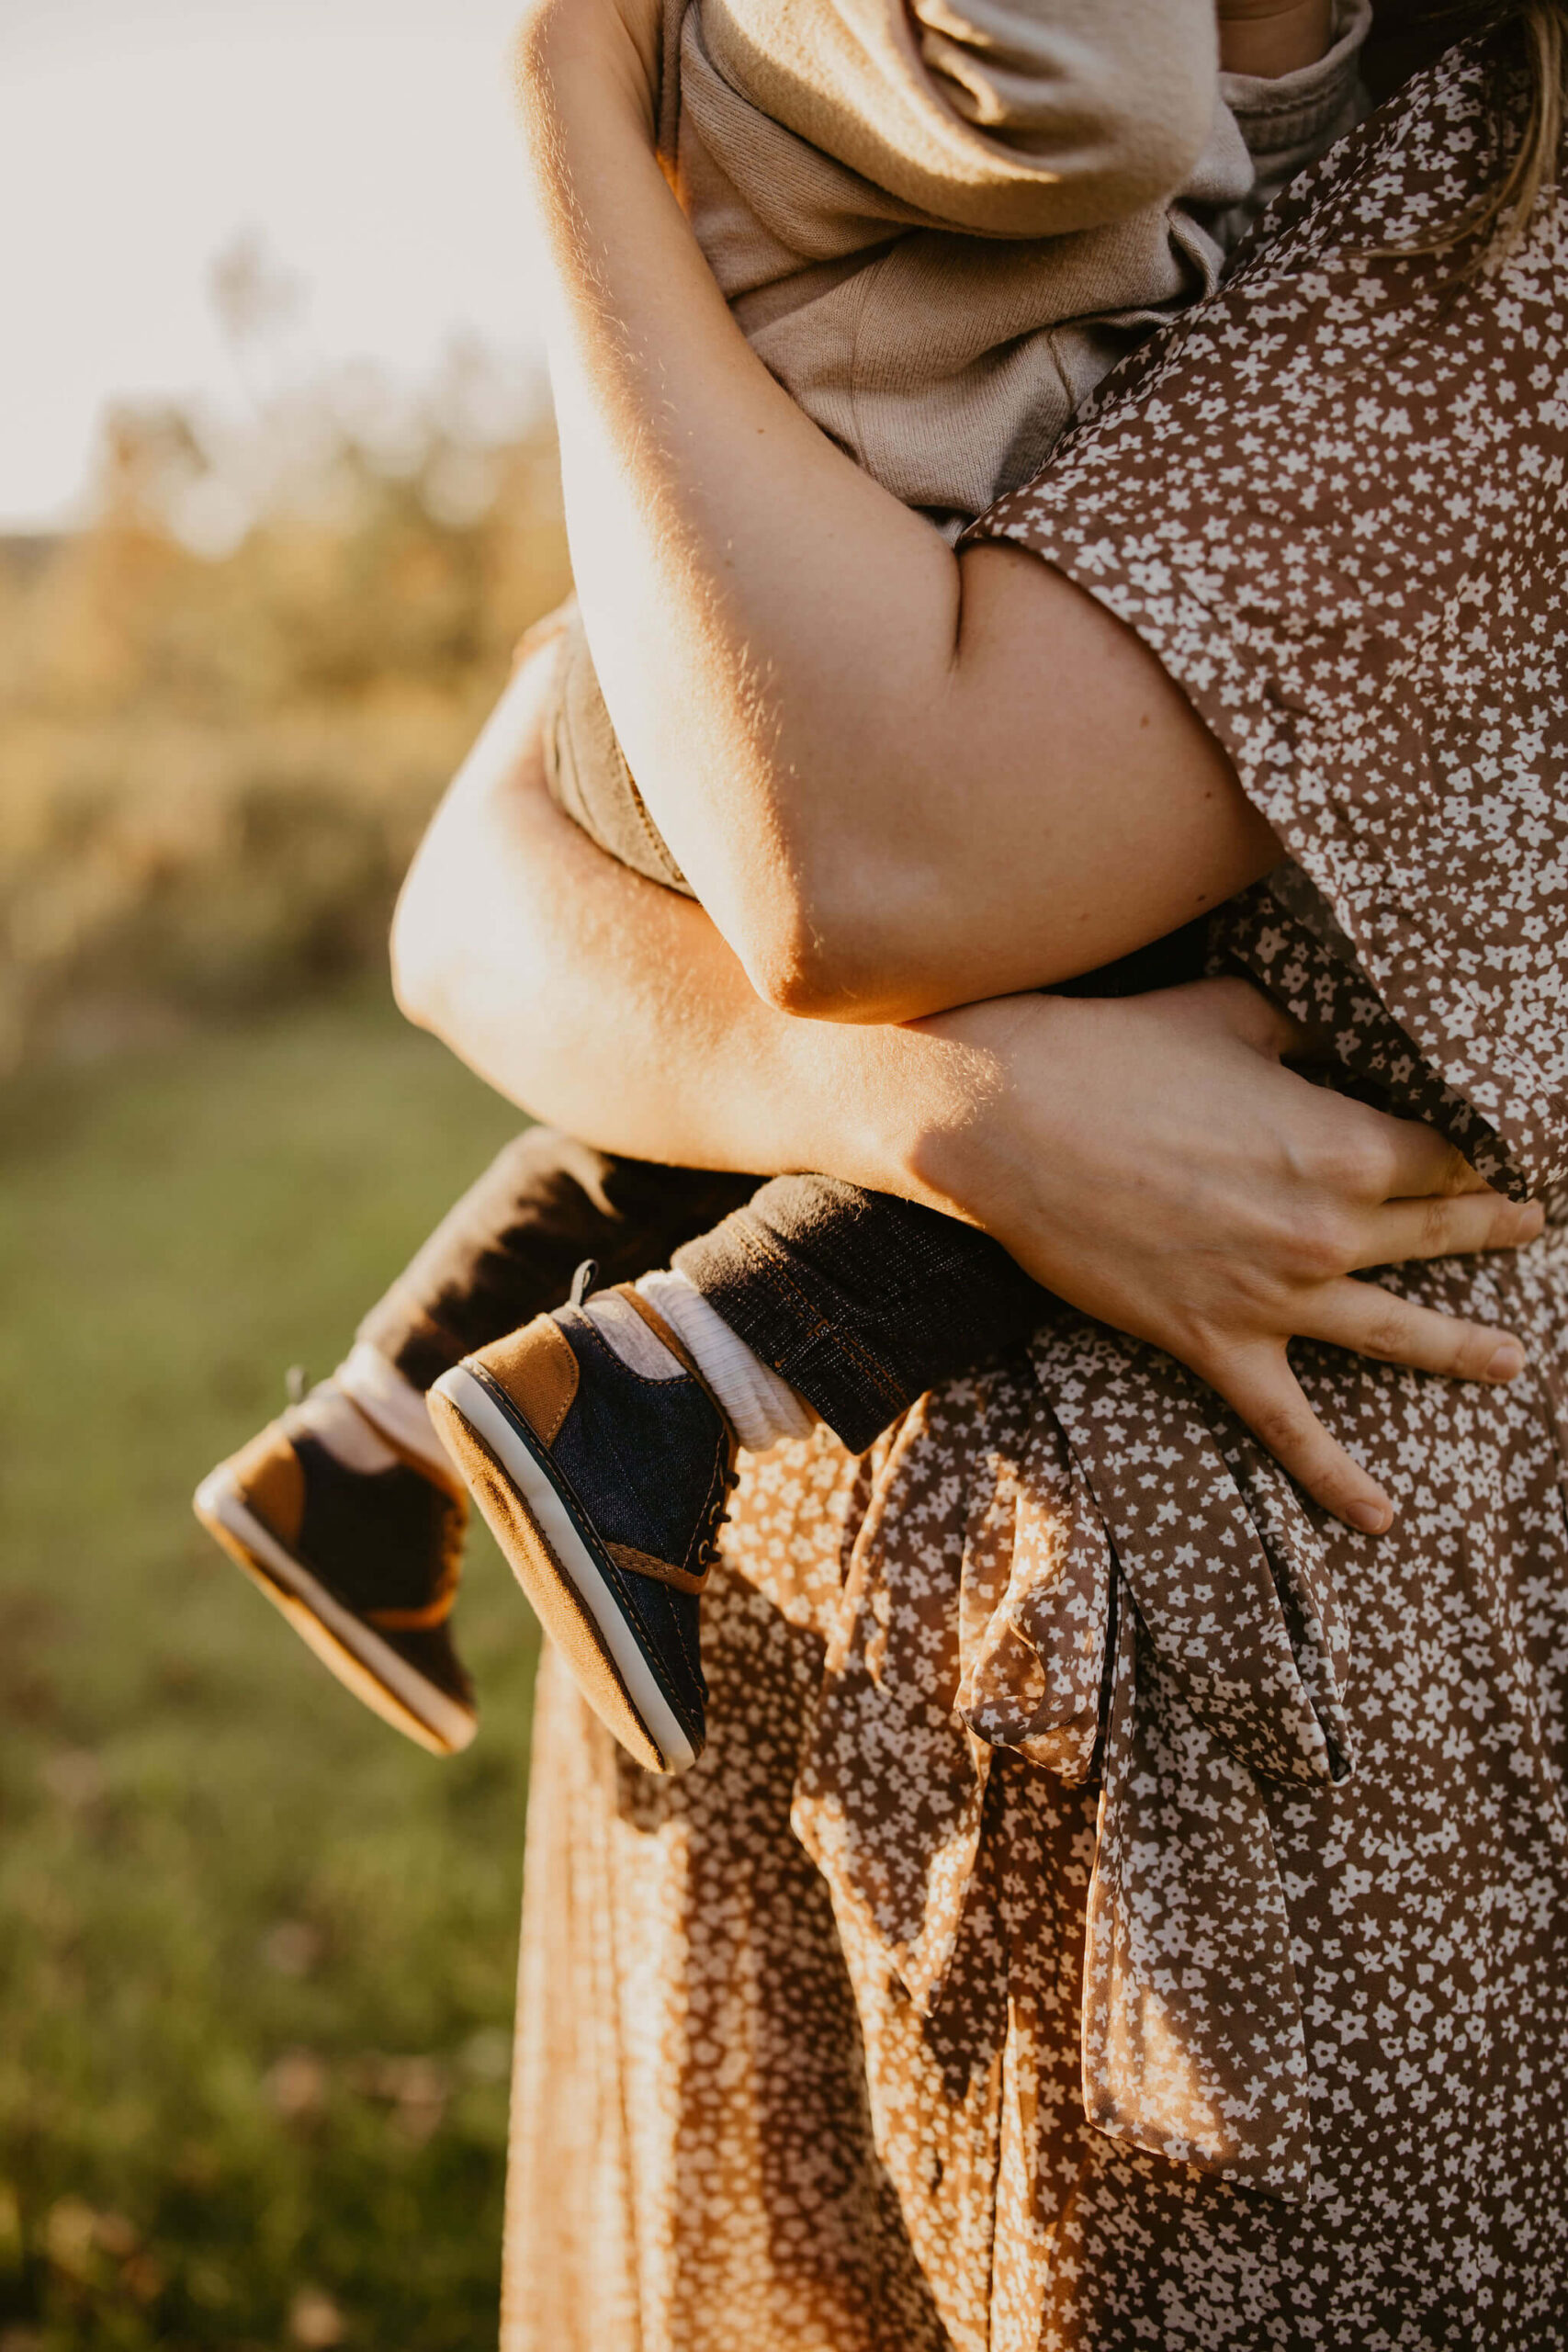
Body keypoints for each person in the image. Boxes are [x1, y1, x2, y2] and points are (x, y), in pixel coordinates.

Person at [389, 0, 1568, 2339]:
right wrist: (916, 1109)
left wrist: (559, 100)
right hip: (771, 1660)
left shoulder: (1491, 206)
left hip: (1252, 1817)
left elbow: (857, 863)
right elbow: (478, 884)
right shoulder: (929, 171)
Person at [194, 0, 1411, 1773]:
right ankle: (668, 1392)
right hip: (794, 701)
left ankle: (373, 1442)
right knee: (1152, 1019)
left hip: (746, 669)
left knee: (818, 1068)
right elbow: (1115, 117)